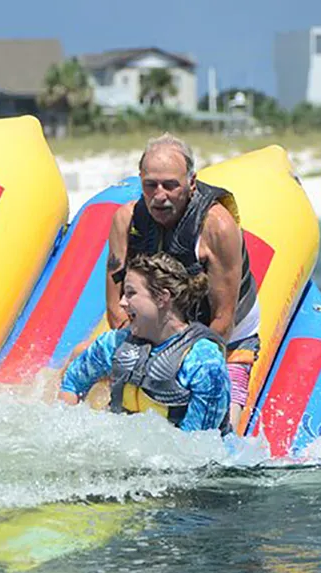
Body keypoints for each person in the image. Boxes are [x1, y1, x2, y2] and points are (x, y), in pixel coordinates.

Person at [105, 134, 261, 428]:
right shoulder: (125, 221)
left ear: (191, 182)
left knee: (222, 425)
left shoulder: (217, 227)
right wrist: (137, 355)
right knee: (87, 366)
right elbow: (115, 310)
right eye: (150, 185)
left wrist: (172, 362)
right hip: (157, 322)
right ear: (140, 180)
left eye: (170, 185)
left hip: (227, 337)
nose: (159, 195)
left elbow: (223, 322)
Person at [59, 253, 230, 432]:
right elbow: (72, 383)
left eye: (131, 293)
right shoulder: (113, 344)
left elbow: (198, 445)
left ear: (161, 298)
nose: (122, 303)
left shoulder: (203, 362)